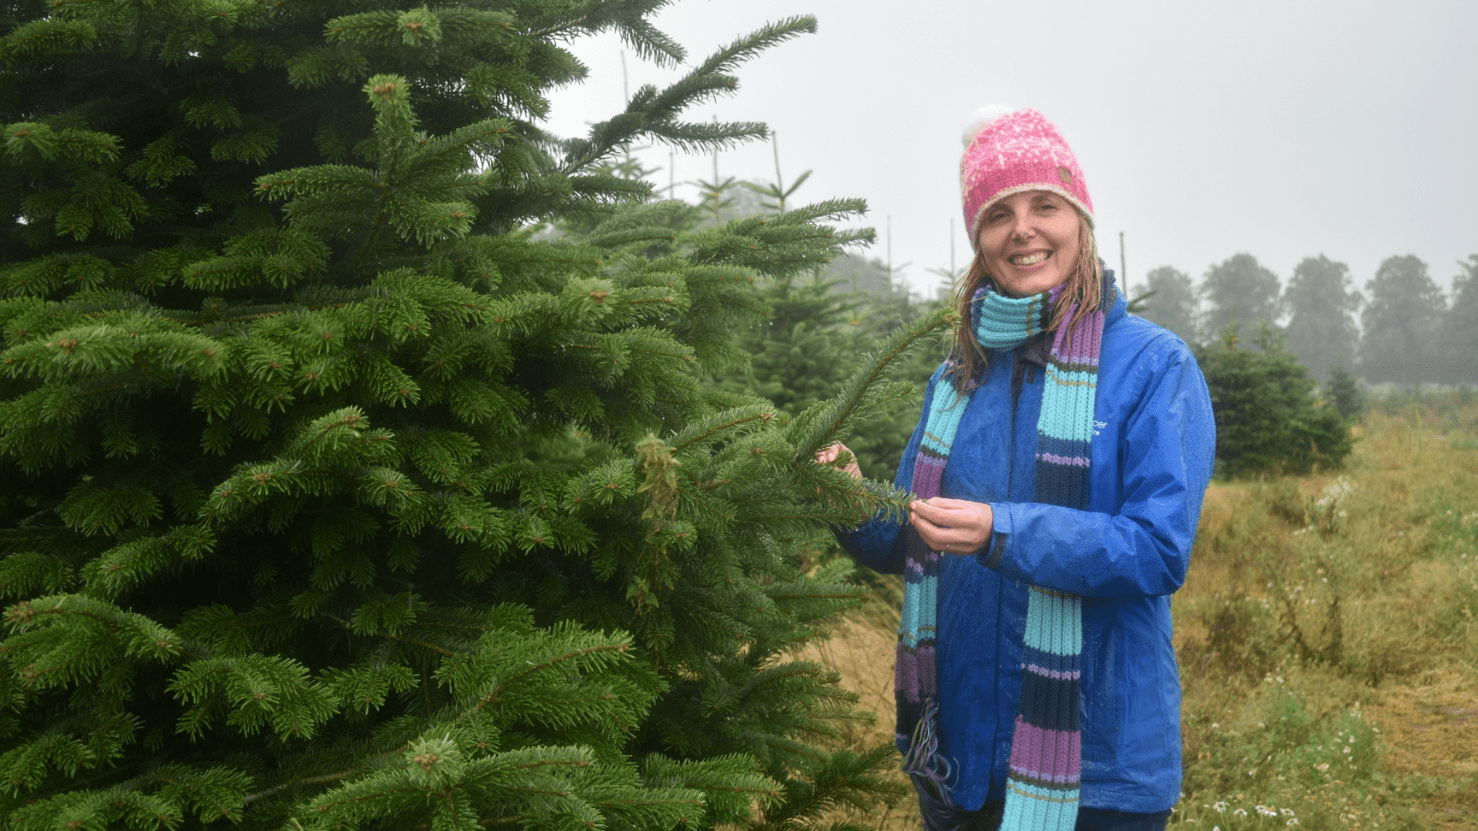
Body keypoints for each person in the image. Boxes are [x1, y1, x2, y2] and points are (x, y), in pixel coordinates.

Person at [817, 107, 1215, 831]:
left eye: (1044, 205)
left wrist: (1004, 531)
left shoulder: (1156, 366)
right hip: (960, 760)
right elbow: (907, 534)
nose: (1023, 228)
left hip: (1101, 770)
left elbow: (1157, 549)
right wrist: (846, 496)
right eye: (998, 214)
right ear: (980, 241)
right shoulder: (960, 376)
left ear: (1081, 219)